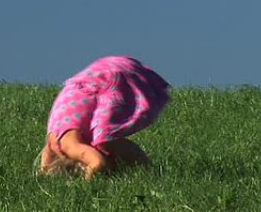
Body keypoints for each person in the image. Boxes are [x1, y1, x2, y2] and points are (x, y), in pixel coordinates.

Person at [39, 56, 171, 180]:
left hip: (113, 79)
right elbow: (45, 165)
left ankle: (150, 170)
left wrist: (86, 189)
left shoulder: (69, 146)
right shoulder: (53, 141)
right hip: (97, 73)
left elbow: (97, 163)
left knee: (105, 143)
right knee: (104, 143)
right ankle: (148, 169)